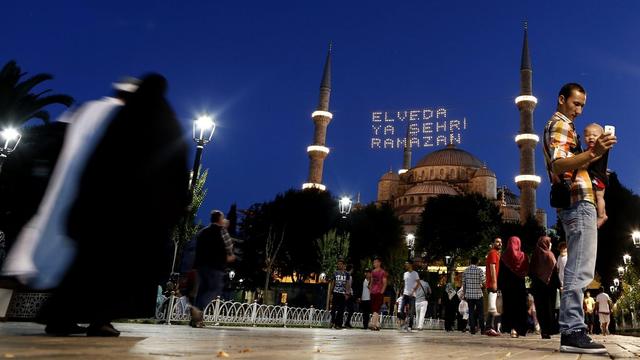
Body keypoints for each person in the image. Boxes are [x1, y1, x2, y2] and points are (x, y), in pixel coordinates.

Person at [5, 74, 190, 336]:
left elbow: (95, 162)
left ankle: (62, 317)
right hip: (134, 216)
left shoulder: (117, 120)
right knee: (115, 273)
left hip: (101, 211)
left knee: (87, 270)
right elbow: (173, 174)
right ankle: (99, 320)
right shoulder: (164, 124)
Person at [544, 83, 616, 354]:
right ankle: (573, 330)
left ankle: (572, 329)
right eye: (575, 103)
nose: (579, 110)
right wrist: (594, 152)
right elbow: (559, 164)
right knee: (579, 267)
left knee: (579, 265)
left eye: (583, 105)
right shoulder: (560, 124)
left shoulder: (566, 127)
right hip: (578, 200)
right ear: (562, 99)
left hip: (578, 199)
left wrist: (595, 157)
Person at [192, 210, 236, 328]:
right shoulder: (221, 231)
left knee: (202, 290)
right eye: (223, 218)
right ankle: (197, 309)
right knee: (215, 289)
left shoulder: (202, 232)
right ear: (220, 220)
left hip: (201, 266)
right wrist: (229, 256)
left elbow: (198, 250)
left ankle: (196, 320)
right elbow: (228, 247)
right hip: (215, 266)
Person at [530, 236, 560, 339]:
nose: (551, 245)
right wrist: (558, 285)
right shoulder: (550, 255)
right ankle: (549, 330)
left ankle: (544, 330)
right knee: (549, 309)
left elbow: (531, 271)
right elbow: (555, 271)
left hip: (538, 287)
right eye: (550, 243)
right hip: (550, 287)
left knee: (540, 309)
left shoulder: (535, 255)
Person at [498, 236, 529, 338]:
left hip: (507, 288)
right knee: (519, 308)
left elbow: (501, 274)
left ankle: (512, 329)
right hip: (520, 286)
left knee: (509, 308)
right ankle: (518, 329)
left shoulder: (504, 257)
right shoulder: (523, 256)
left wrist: (499, 287)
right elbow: (526, 271)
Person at [583, 123, 610, 228]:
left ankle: (602, 216)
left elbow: (594, 158)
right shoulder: (588, 151)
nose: (591, 137)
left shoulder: (601, 149)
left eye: (594, 135)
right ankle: (602, 213)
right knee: (597, 198)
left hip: (598, 177)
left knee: (599, 197)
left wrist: (586, 159)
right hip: (595, 176)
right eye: (588, 135)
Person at [461, 256, 485, 335]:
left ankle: (472, 329)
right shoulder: (480, 270)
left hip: (469, 295)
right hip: (478, 294)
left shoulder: (465, 271)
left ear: (470, 261)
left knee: (471, 312)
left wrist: (464, 294)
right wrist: (481, 286)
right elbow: (484, 282)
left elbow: (464, 284)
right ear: (477, 262)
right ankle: (482, 329)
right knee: (480, 312)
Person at [486, 237, 502, 336]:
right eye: (497, 242)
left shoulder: (496, 254)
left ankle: (491, 328)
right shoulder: (492, 253)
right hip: (492, 284)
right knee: (492, 306)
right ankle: (489, 327)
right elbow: (492, 268)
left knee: (493, 306)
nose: (499, 243)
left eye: (501, 242)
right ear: (493, 243)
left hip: (494, 283)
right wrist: (494, 283)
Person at [329, 259, 351, 330]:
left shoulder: (347, 274)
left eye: (341, 264)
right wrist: (331, 293)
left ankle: (338, 324)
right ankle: (332, 321)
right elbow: (333, 283)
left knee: (341, 310)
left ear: (344, 265)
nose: (339, 265)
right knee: (333, 309)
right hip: (335, 293)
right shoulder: (335, 273)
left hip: (342, 294)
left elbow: (348, 284)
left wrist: (347, 293)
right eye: (338, 264)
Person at [399, 260, 420, 331]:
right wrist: (402, 292)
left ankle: (410, 326)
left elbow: (418, 283)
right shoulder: (405, 274)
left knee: (411, 312)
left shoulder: (415, 273)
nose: (405, 265)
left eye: (407, 264)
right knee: (401, 309)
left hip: (412, 295)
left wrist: (413, 290)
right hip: (405, 294)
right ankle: (404, 322)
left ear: (410, 265)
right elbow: (405, 284)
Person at [369, 257, 387, 331]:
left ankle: (373, 323)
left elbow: (385, 283)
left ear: (379, 263)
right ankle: (377, 324)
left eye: (376, 262)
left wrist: (382, 291)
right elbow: (371, 281)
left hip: (379, 292)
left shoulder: (383, 272)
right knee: (374, 309)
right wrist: (370, 290)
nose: (374, 264)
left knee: (376, 308)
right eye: (374, 262)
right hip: (373, 292)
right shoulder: (373, 272)